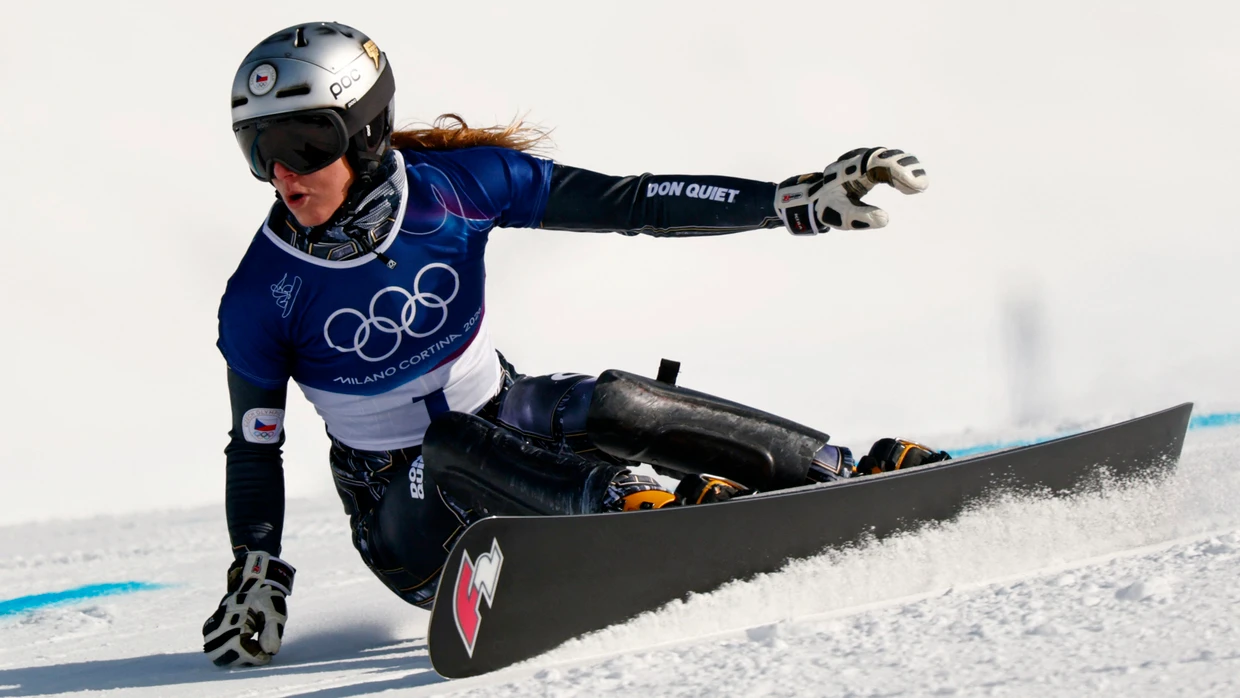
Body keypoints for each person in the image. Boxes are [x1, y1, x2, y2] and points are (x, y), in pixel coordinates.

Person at [202, 21, 949, 668]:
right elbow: (253, 447)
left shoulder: (458, 188)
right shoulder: (261, 293)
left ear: (364, 132)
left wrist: (788, 203)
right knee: (453, 440)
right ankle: (631, 515)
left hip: (504, 419)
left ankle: (831, 472)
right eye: (259, 149)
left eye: (302, 142)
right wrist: (256, 570)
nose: (282, 173)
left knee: (613, 402)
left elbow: (633, 202)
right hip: (408, 526)